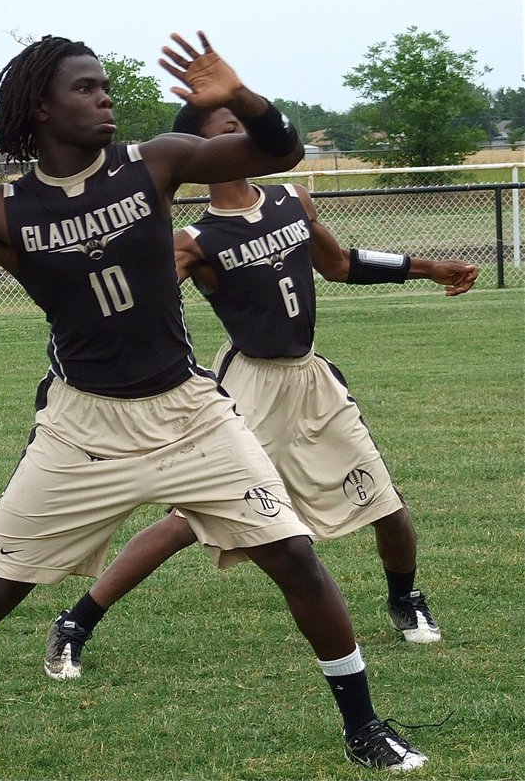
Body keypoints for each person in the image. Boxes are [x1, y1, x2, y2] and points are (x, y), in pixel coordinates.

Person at [0, 32, 428, 780]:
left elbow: (279, 153)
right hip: (84, 426)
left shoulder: (155, 162)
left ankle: (364, 728)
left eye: (104, 85)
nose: (104, 96)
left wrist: (238, 96)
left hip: (188, 412)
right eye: (84, 87)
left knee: (296, 558)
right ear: (40, 105)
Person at [44, 103, 478, 682]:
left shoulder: (292, 200)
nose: (246, 133)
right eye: (229, 128)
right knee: (187, 521)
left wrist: (426, 268)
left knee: (387, 506)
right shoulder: (194, 241)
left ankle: (405, 597)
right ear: (201, 149)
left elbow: (341, 264)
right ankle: (76, 622)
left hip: (310, 379)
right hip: (250, 384)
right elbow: (133, 303)